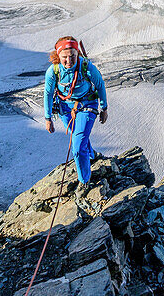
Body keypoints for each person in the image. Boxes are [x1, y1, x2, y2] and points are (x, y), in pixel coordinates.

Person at [43, 35, 108, 209]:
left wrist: (104, 108)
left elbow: (100, 85)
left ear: (77, 53)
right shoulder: (53, 71)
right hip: (65, 108)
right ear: (58, 56)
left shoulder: (86, 67)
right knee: (77, 135)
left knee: (77, 145)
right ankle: (92, 156)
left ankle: (84, 181)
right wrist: (47, 117)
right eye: (65, 57)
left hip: (87, 105)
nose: (69, 60)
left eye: (72, 56)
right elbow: (48, 94)